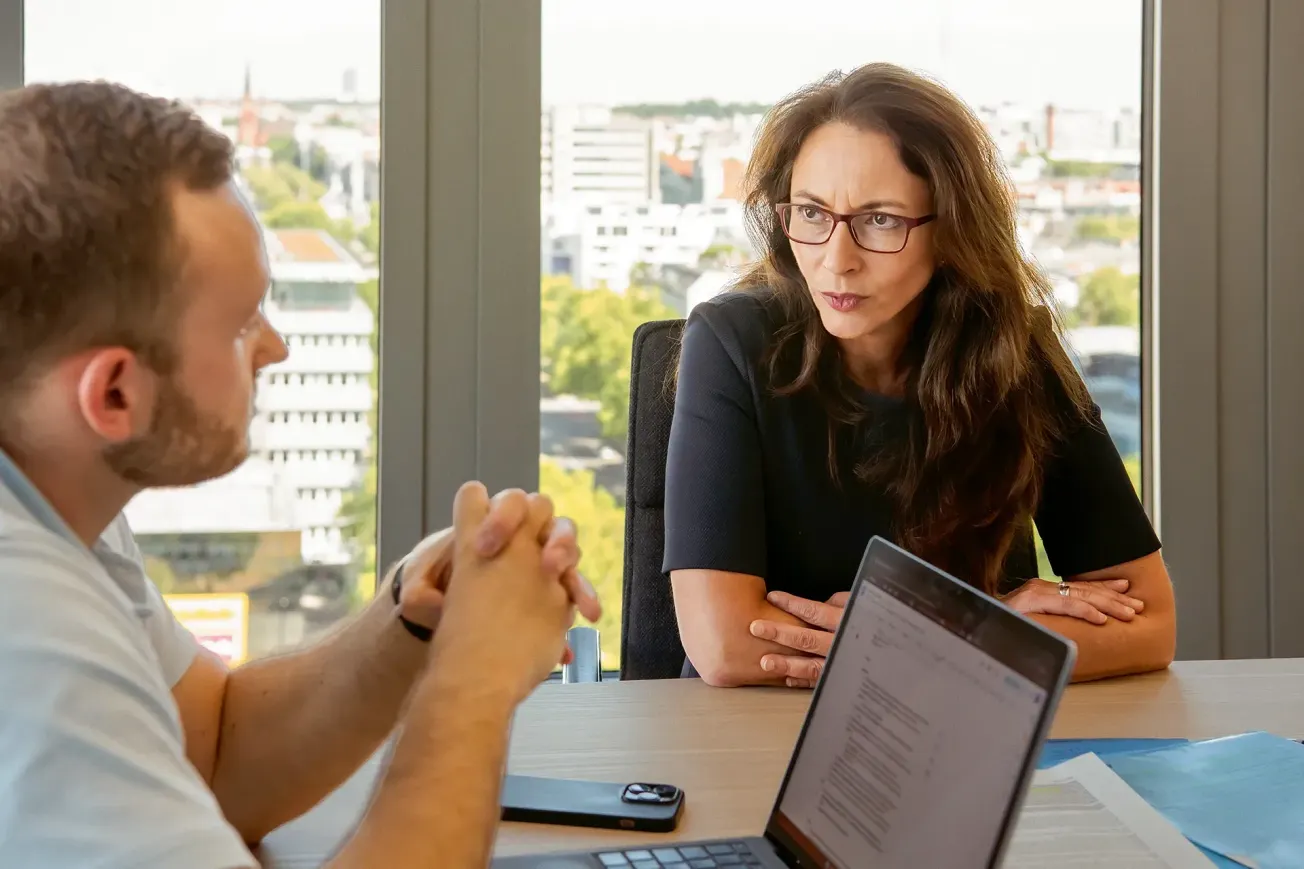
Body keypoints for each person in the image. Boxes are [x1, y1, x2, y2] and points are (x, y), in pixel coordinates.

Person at [0, 81, 600, 869]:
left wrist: (415, 619)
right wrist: (478, 675)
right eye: (243, 320)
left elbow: (211, 754)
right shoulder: (27, 624)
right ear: (114, 392)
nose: (275, 346)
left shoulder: (55, 489)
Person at [664, 63, 1176, 689]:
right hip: (747, 737)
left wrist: (955, 632)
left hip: (952, 735)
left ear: (951, 227)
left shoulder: (1015, 351)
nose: (836, 260)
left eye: (881, 220)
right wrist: (980, 633)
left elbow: (1150, 625)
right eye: (811, 212)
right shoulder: (730, 341)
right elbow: (725, 646)